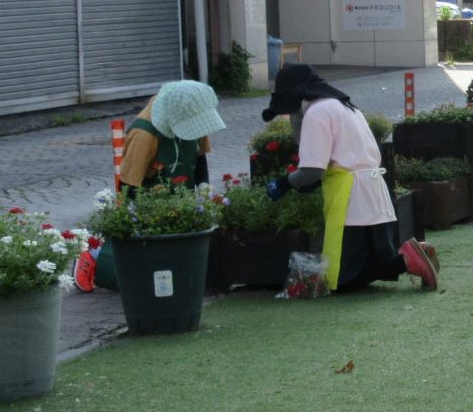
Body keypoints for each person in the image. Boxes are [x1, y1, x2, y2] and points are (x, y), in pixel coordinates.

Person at [261, 64, 439, 293]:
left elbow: (313, 170)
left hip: (350, 199)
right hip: (373, 192)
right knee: (367, 265)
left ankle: (409, 260)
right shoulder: (342, 106)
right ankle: (416, 254)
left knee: (344, 279)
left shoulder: (316, 113)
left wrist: (284, 183)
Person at [76, 80, 226, 291]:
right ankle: (94, 257)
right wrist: (133, 224)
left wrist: (203, 188)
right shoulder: (143, 134)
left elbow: (200, 159)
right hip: (147, 204)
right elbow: (127, 187)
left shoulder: (195, 117)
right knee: (139, 277)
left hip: (182, 202)